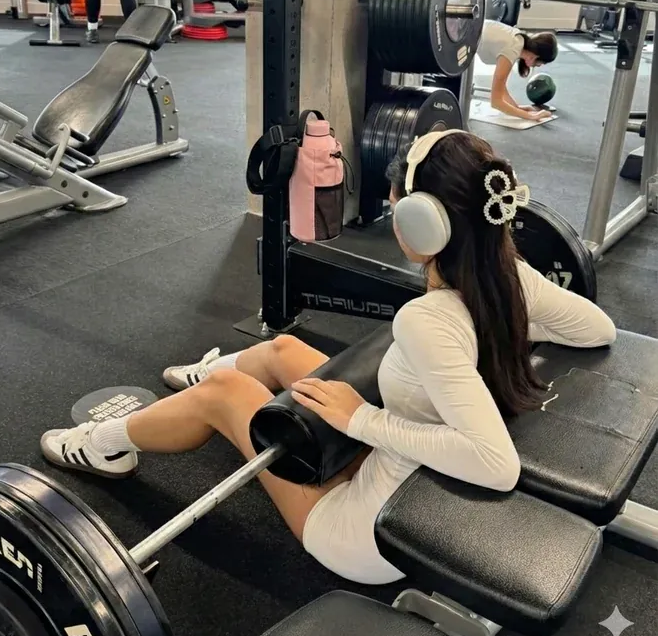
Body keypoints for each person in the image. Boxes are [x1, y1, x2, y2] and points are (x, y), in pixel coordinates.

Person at [40, 129, 615, 585]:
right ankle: (206, 377)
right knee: (285, 349)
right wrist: (514, 320)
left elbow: (496, 463)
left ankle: (107, 444)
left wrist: (358, 419)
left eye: (397, 199)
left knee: (230, 398)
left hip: (368, 528)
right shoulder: (509, 276)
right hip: (410, 448)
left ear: (419, 219)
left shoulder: (428, 320)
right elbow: (599, 330)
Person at [477, 19, 558, 121]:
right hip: (458, 33)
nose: (540, 66)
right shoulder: (513, 48)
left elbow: (501, 88)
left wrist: (517, 109)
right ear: (535, 56)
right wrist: (531, 116)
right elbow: (496, 102)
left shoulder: (518, 41)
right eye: (542, 63)